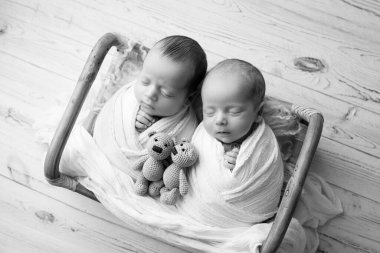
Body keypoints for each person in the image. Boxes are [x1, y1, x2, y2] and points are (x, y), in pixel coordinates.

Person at [60, 35, 207, 180]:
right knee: (69, 155)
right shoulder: (129, 99)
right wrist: (132, 118)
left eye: (165, 92)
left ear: (188, 99)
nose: (150, 94)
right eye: (145, 81)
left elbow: (178, 159)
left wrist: (153, 133)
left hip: (137, 179)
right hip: (101, 149)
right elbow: (114, 113)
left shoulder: (187, 125)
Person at [178, 59, 284, 227]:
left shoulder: (262, 143)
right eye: (210, 112)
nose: (220, 120)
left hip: (241, 217)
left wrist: (242, 164)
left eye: (234, 112)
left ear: (259, 112)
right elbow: (187, 163)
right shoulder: (202, 134)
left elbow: (260, 170)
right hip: (193, 206)